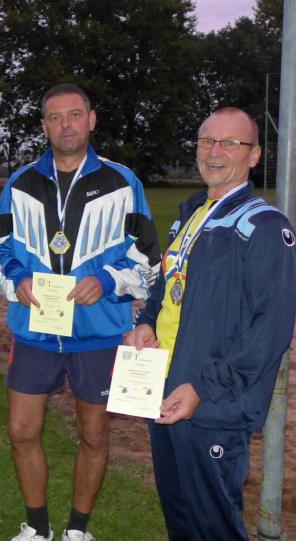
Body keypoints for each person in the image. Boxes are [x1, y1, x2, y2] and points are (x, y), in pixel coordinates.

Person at [0, 83, 161, 541]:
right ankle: (37, 526)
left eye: (74, 115)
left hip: (99, 332)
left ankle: (77, 530)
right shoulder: (20, 183)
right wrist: (17, 279)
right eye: (54, 117)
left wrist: (106, 280)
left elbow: (148, 259)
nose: (65, 124)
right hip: (35, 331)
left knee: (94, 434)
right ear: (44, 126)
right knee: (21, 430)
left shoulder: (123, 182)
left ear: (91, 119)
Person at [125, 107, 296, 540]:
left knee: (214, 527)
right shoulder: (192, 215)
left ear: (254, 155)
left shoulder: (264, 227)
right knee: (181, 519)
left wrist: (203, 388)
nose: (214, 152)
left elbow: (270, 332)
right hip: (165, 390)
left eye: (230, 143)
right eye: (206, 141)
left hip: (212, 405)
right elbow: (167, 286)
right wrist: (147, 322)